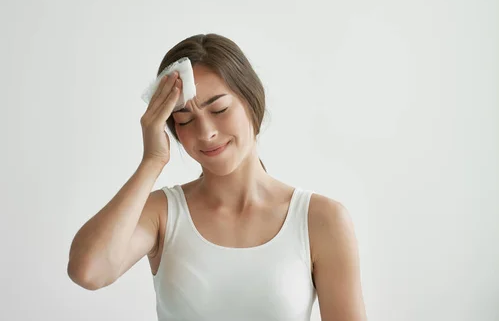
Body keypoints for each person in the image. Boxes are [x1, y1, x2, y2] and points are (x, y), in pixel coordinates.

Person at [67, 33, 368, 321]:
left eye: (220, 109)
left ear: (252, 101)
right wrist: (152, 161)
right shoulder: (162, 214)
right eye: (184, 119)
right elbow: (88, 271)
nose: (206, 133)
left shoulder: (321, 220)